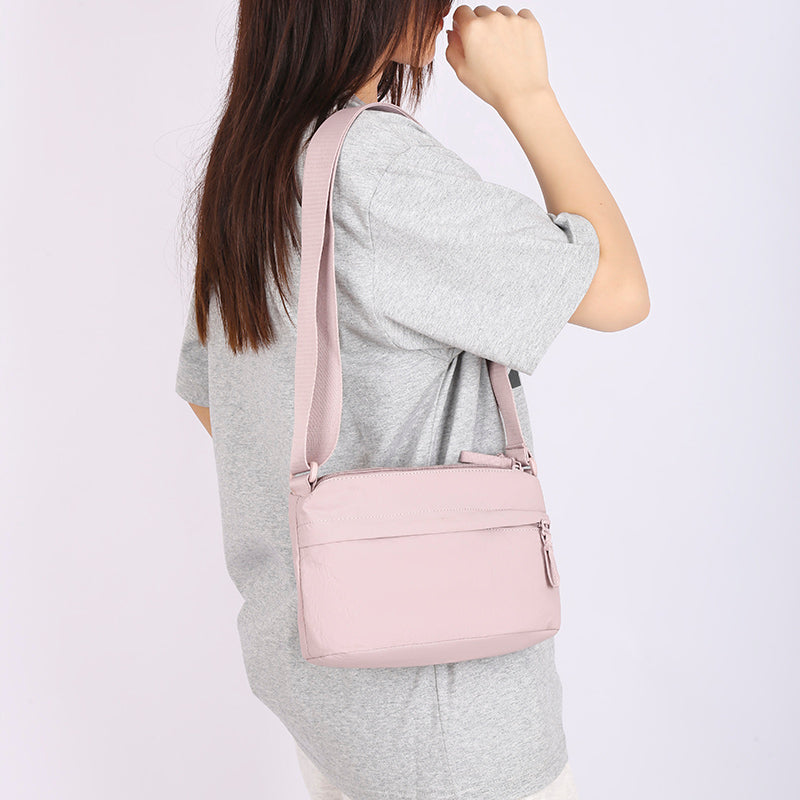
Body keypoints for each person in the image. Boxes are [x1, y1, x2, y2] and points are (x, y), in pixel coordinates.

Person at [174, 3, 649, 799]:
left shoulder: (253, 162)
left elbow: (216, 398)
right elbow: (618, 292)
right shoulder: (373, 167)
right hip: (448, 722)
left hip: (330, 699)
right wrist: (528, 96)